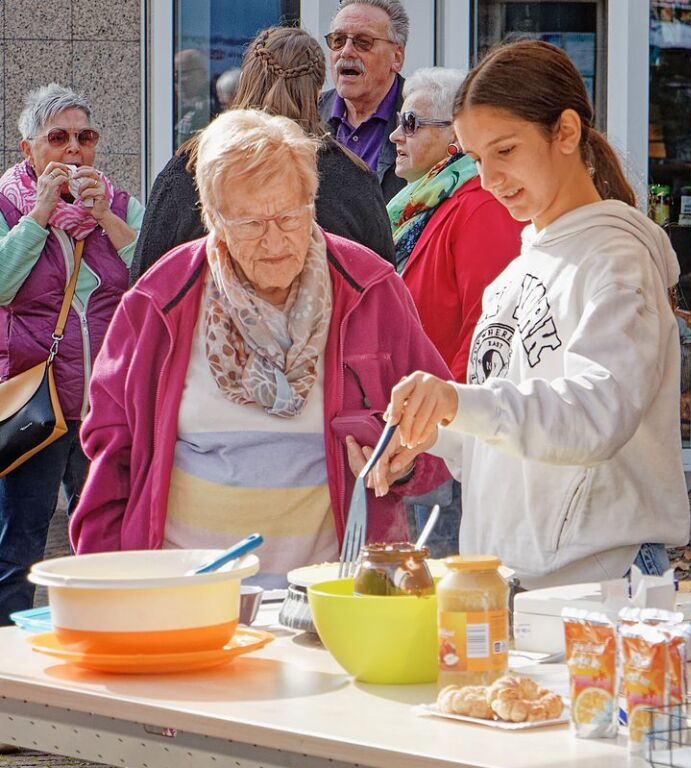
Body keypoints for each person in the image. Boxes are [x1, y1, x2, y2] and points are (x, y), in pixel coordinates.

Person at [70, 109, 451, 588]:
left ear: (312, 203)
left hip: (330, 595)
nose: (275, 241)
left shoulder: (369, 288)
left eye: (291, 217)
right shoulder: (161, 299)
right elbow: (111, 451)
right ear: (214, 221)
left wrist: (406, 460)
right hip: (186, 592)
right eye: (251, 224)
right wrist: (103, 586)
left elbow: (444, 424)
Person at [365, 41, 691, 589]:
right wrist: (433, 431)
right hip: (515, 579)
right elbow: (504, 443)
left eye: (506, 150)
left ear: (565, 131)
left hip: (603, 578)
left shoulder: (618, 259)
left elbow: (595, 416)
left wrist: (456, 400)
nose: (489, 178)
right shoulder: (516, 270)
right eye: (476, 158)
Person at [0, 84, 144, 623]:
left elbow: (154, 277)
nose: (73, 150)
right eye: (57, 138)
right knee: (19, 547)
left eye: (85, 138)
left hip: (104, 403)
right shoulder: (8, 206)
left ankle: (100, 639)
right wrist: (38, 216)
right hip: (36, 402)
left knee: (103, 543)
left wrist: (107, 217)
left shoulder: (121, 204)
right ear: (29, 150)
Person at [386, 67, 525, 556]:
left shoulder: (477, 206)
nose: (395, 134)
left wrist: (449, 417)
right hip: (428, 431)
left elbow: (488, 333)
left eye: (410, 122)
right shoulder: (428, 204)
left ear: (454, 137)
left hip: (452, 436)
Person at [131, 26, 395, 283]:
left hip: (208, 325)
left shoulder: (190, 167)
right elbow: (384, 289)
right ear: (317, 91)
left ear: (246, 81)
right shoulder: (353, 177)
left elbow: (143, 283)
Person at [319, 0, 408, 201]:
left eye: (363, 42)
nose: (346, 51)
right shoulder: (310, 115)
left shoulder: (421, 119)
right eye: (338, 40)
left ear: (397, 58)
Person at [174, 49, 211, 147]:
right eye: (175, 74)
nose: (178, 80)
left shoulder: (211, 108)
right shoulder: (173, 110)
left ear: (203, 74)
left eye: (183, 73)